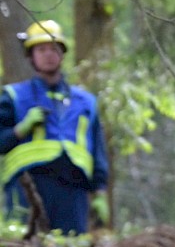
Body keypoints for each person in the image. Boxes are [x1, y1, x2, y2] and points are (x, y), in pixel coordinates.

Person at [0, 20, 109, 234]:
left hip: (73, 191)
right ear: (31, 56)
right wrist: (21, 129)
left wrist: (100, 194)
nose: (48, 54)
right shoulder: (13, 96)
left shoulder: (86, 102)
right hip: (26, 187)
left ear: (62, 54)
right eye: (41, 49)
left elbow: (98, 152)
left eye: (54, 49)